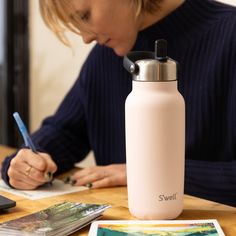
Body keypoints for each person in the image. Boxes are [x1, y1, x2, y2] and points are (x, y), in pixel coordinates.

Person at [1, 0, 236, 207]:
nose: (86, 38)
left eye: (84, 16)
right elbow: (65, 131)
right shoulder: (107, 54)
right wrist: (29, 160)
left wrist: (149, 173)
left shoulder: (230, 35)